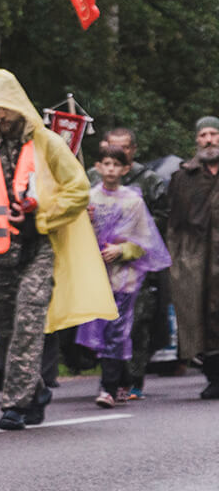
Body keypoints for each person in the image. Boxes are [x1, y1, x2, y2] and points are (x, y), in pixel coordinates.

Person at [0, 69, 114, 431]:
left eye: (6, 109)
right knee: (4, 329)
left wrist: (44, 212)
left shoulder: (48, 142)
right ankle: (35, 393)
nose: (1, 116)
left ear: (20, 108)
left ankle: (15, 405)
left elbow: (78, 189)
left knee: (27, 324)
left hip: (38, 249)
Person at [76, 146, 171, 407]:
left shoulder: (133, 202)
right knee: (98, 329)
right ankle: (122, 379)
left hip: (125, 277)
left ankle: (107, 387)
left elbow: (145, 240)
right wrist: (84, 220)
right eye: (106, 163)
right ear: (97, 166)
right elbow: (75, 233)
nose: (110, 169)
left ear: (126, 169)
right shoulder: (89, 198)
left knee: (118, 330)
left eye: (116, 165)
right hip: (97, 275)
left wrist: (122, 249)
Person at [166, 116, 219, 399]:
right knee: (198, 316)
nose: (208, 140)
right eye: (203, 135)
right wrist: (174, 258)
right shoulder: (183, 176)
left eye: (213, 133)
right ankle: (214, 376)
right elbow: (173, 222)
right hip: (195, 256)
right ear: (196, 140)